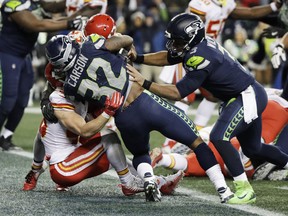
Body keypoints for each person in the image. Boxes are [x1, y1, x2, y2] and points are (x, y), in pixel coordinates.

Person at [44, 33, 241, 203]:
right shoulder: (90, 44)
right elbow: (126, 39)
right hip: (145, 101)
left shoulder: (69, 88)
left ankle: (148, 179)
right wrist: (128, 51)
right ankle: (223, 190)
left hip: (124, 116)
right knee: (197, 143)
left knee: (140, 153)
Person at [127, 13, 288, 204]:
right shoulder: (198, 45)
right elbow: (170, 57)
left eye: (177, 42)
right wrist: (140, 58)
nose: (173, 46)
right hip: (246, 94)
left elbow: (178, 92)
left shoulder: (200, 57)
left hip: (246, 96)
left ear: (191, 38)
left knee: (219, 137)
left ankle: (244, 189)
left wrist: (144, 82)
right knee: (253, 148)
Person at [23, 58, 184, 195]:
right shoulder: (60, 99)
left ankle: (156, 181)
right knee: (109, 138)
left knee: (114, 154)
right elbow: (85, 131)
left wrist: (35, 170)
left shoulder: (63, 102)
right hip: (65, 168)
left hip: (68, 162)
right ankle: (130, 182)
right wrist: (108, 112)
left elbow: (40, 138)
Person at [159, 0, 283, 153]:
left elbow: (249, 13)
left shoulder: (225, 3)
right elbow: (191, 29)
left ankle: (194, 138)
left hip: (209, 54)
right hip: (189, 52)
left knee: (211, 96)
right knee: (186, 97)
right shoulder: (201, 3)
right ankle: (168, 144)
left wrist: (273, 6)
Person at [0, 0, 88, 151]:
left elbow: (52, 11)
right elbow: (36, 25)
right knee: (7, 101)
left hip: (24, 56)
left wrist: (80, 9)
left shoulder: (34, 3)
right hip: (7, 54)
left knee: (22, 101)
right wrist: (70, 23)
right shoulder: (12, 3)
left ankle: (5, 136)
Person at [150, 88, 288, 180]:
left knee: (252, 146)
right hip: (257, 116)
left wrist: (163, 159)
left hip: (237, 144)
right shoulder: (276, 110)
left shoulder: (208, 158)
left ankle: (278, 163)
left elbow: (185, 162)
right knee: (255, 145)